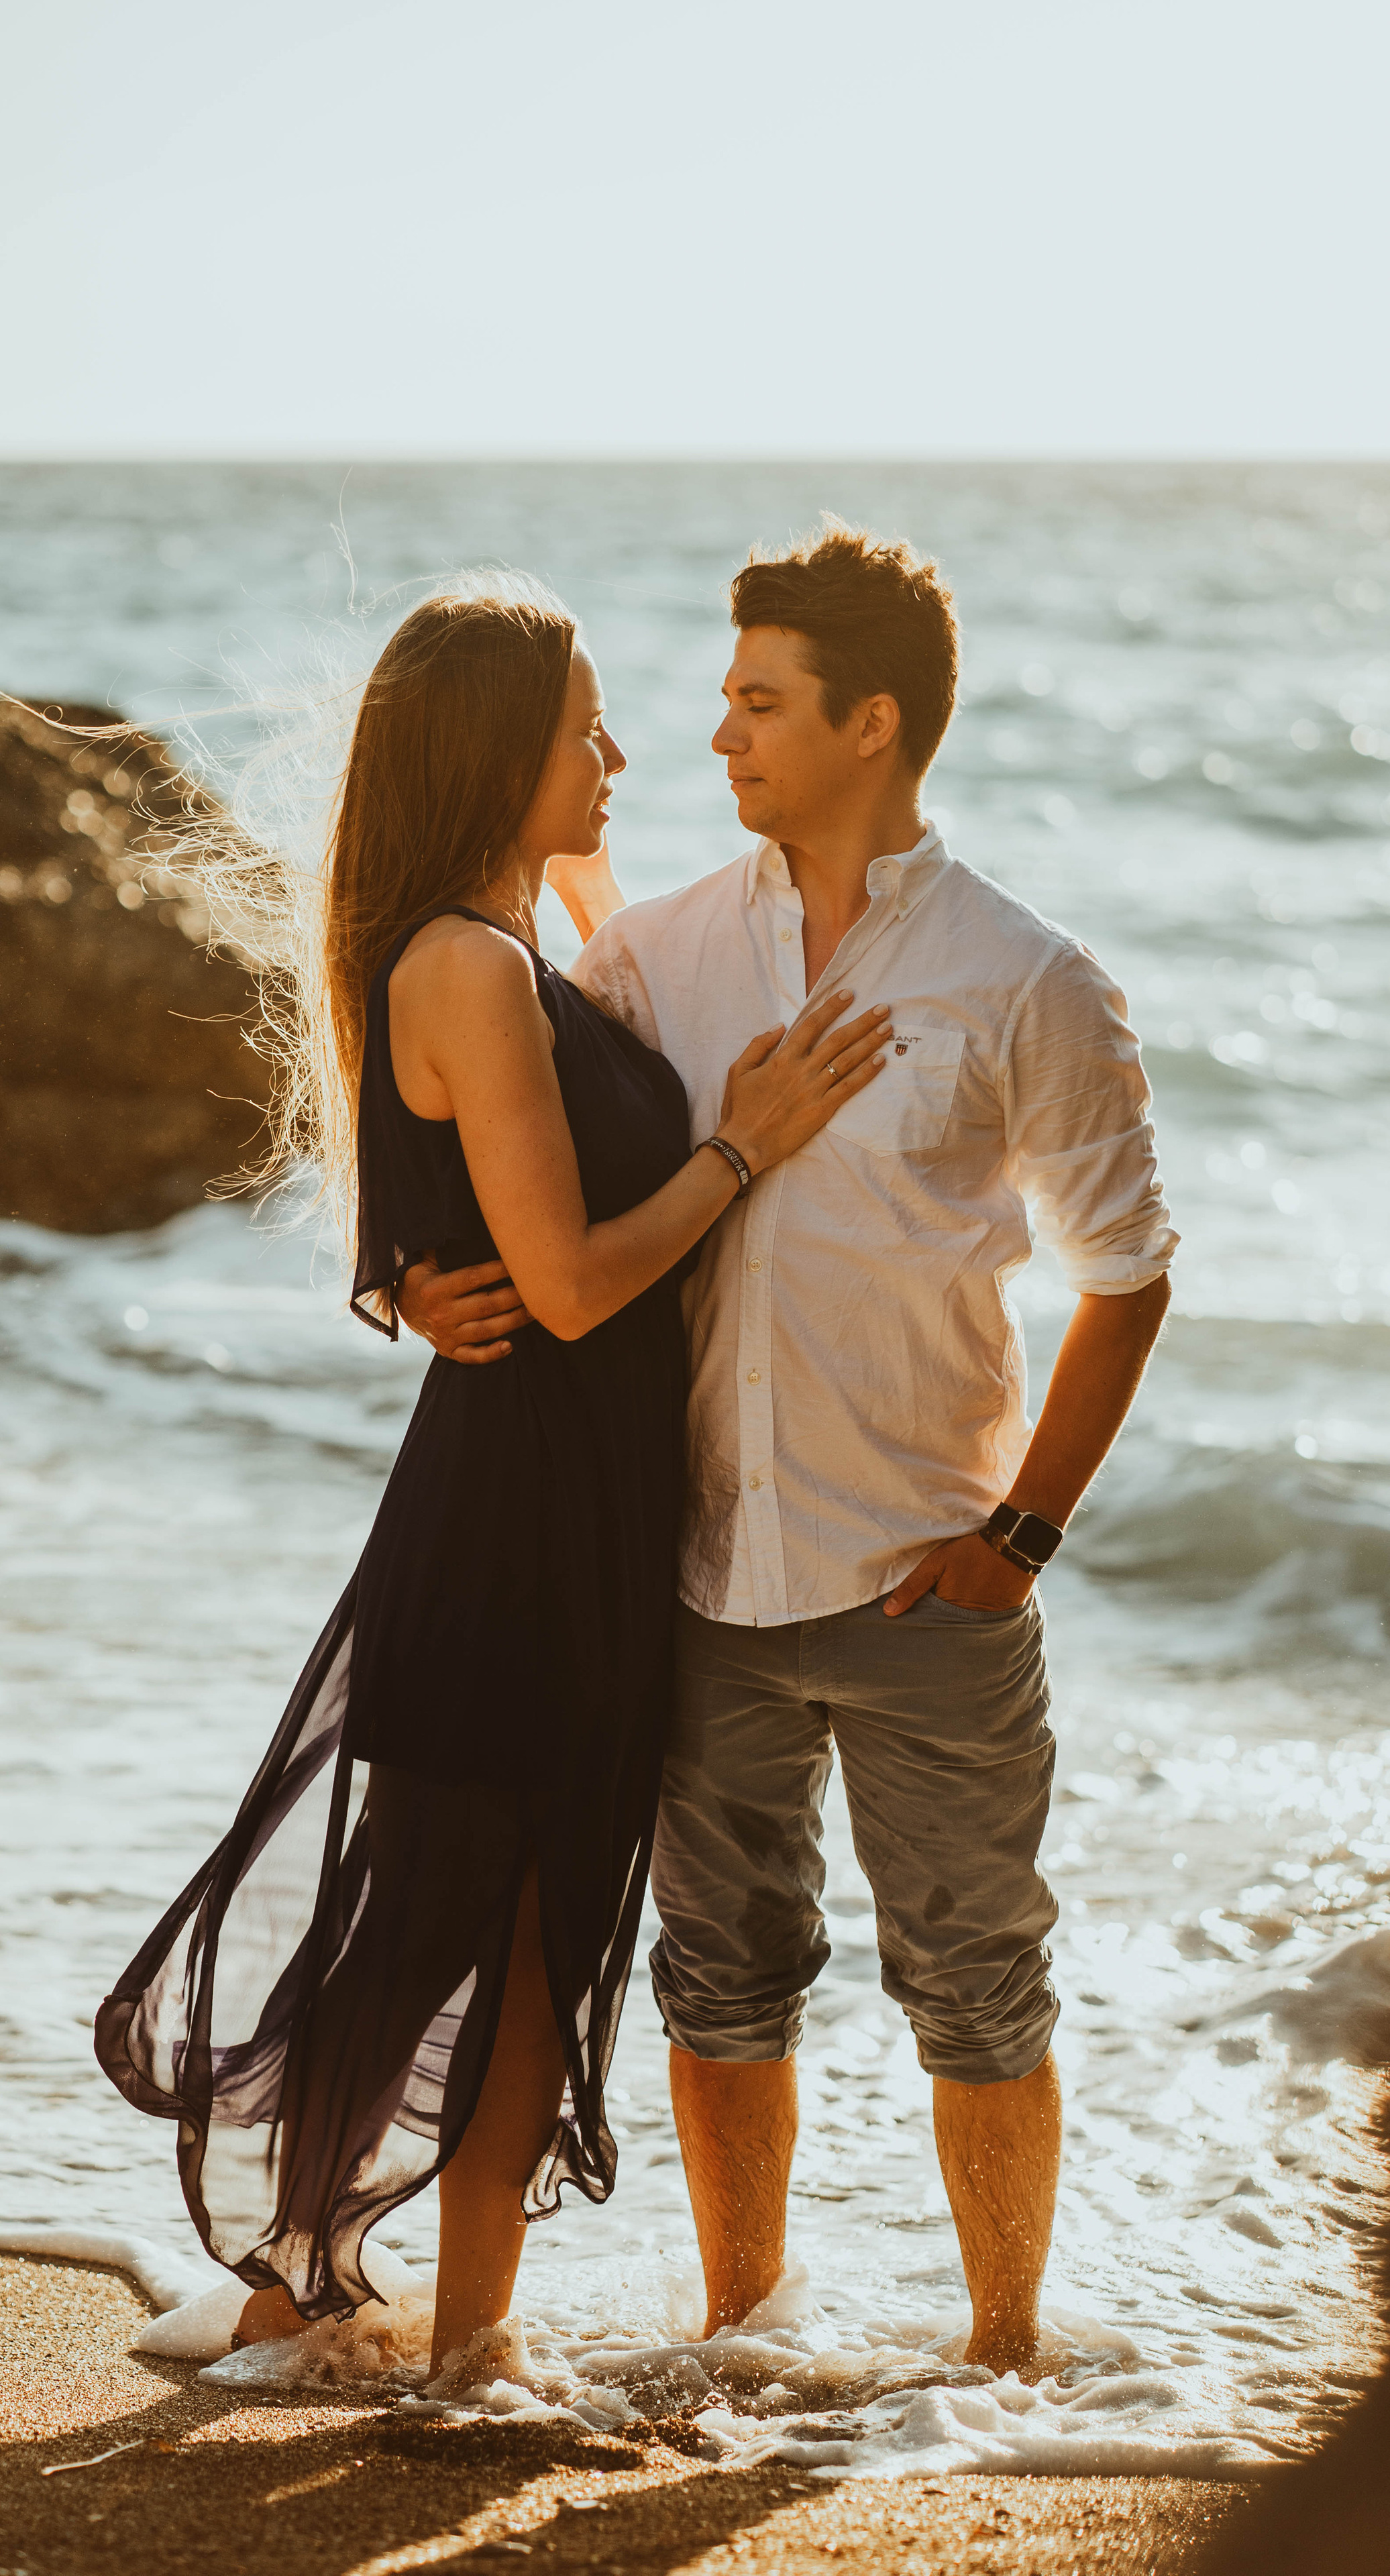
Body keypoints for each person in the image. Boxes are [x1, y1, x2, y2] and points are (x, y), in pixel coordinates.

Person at [397, 523, 1178, 2379]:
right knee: (720, 1980)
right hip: (699, 1578)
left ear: (872, 722)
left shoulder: (1025, 979)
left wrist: (1022, 1533)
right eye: (723, 695)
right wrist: (409, 1285)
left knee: (979, 1988)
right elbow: (497, 1136)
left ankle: (1002, 2367)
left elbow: (1128, 1274)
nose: (721, 732)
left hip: (932, 1582)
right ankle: (746, 2342)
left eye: (760, 700)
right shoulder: (658, 955)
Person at [95, 577, 891, 2380]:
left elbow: (576, 1044)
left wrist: (397, 1272)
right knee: (455, 1909)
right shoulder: (466, 962)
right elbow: (575, 1281)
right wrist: (744, 1149)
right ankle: (324, 2292)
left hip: (576, 1499)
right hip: (522, 1509)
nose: (620, 756)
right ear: (492, 755)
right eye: (581, 729)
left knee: (532, 1926)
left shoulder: (505, 934)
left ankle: (461, 2337)